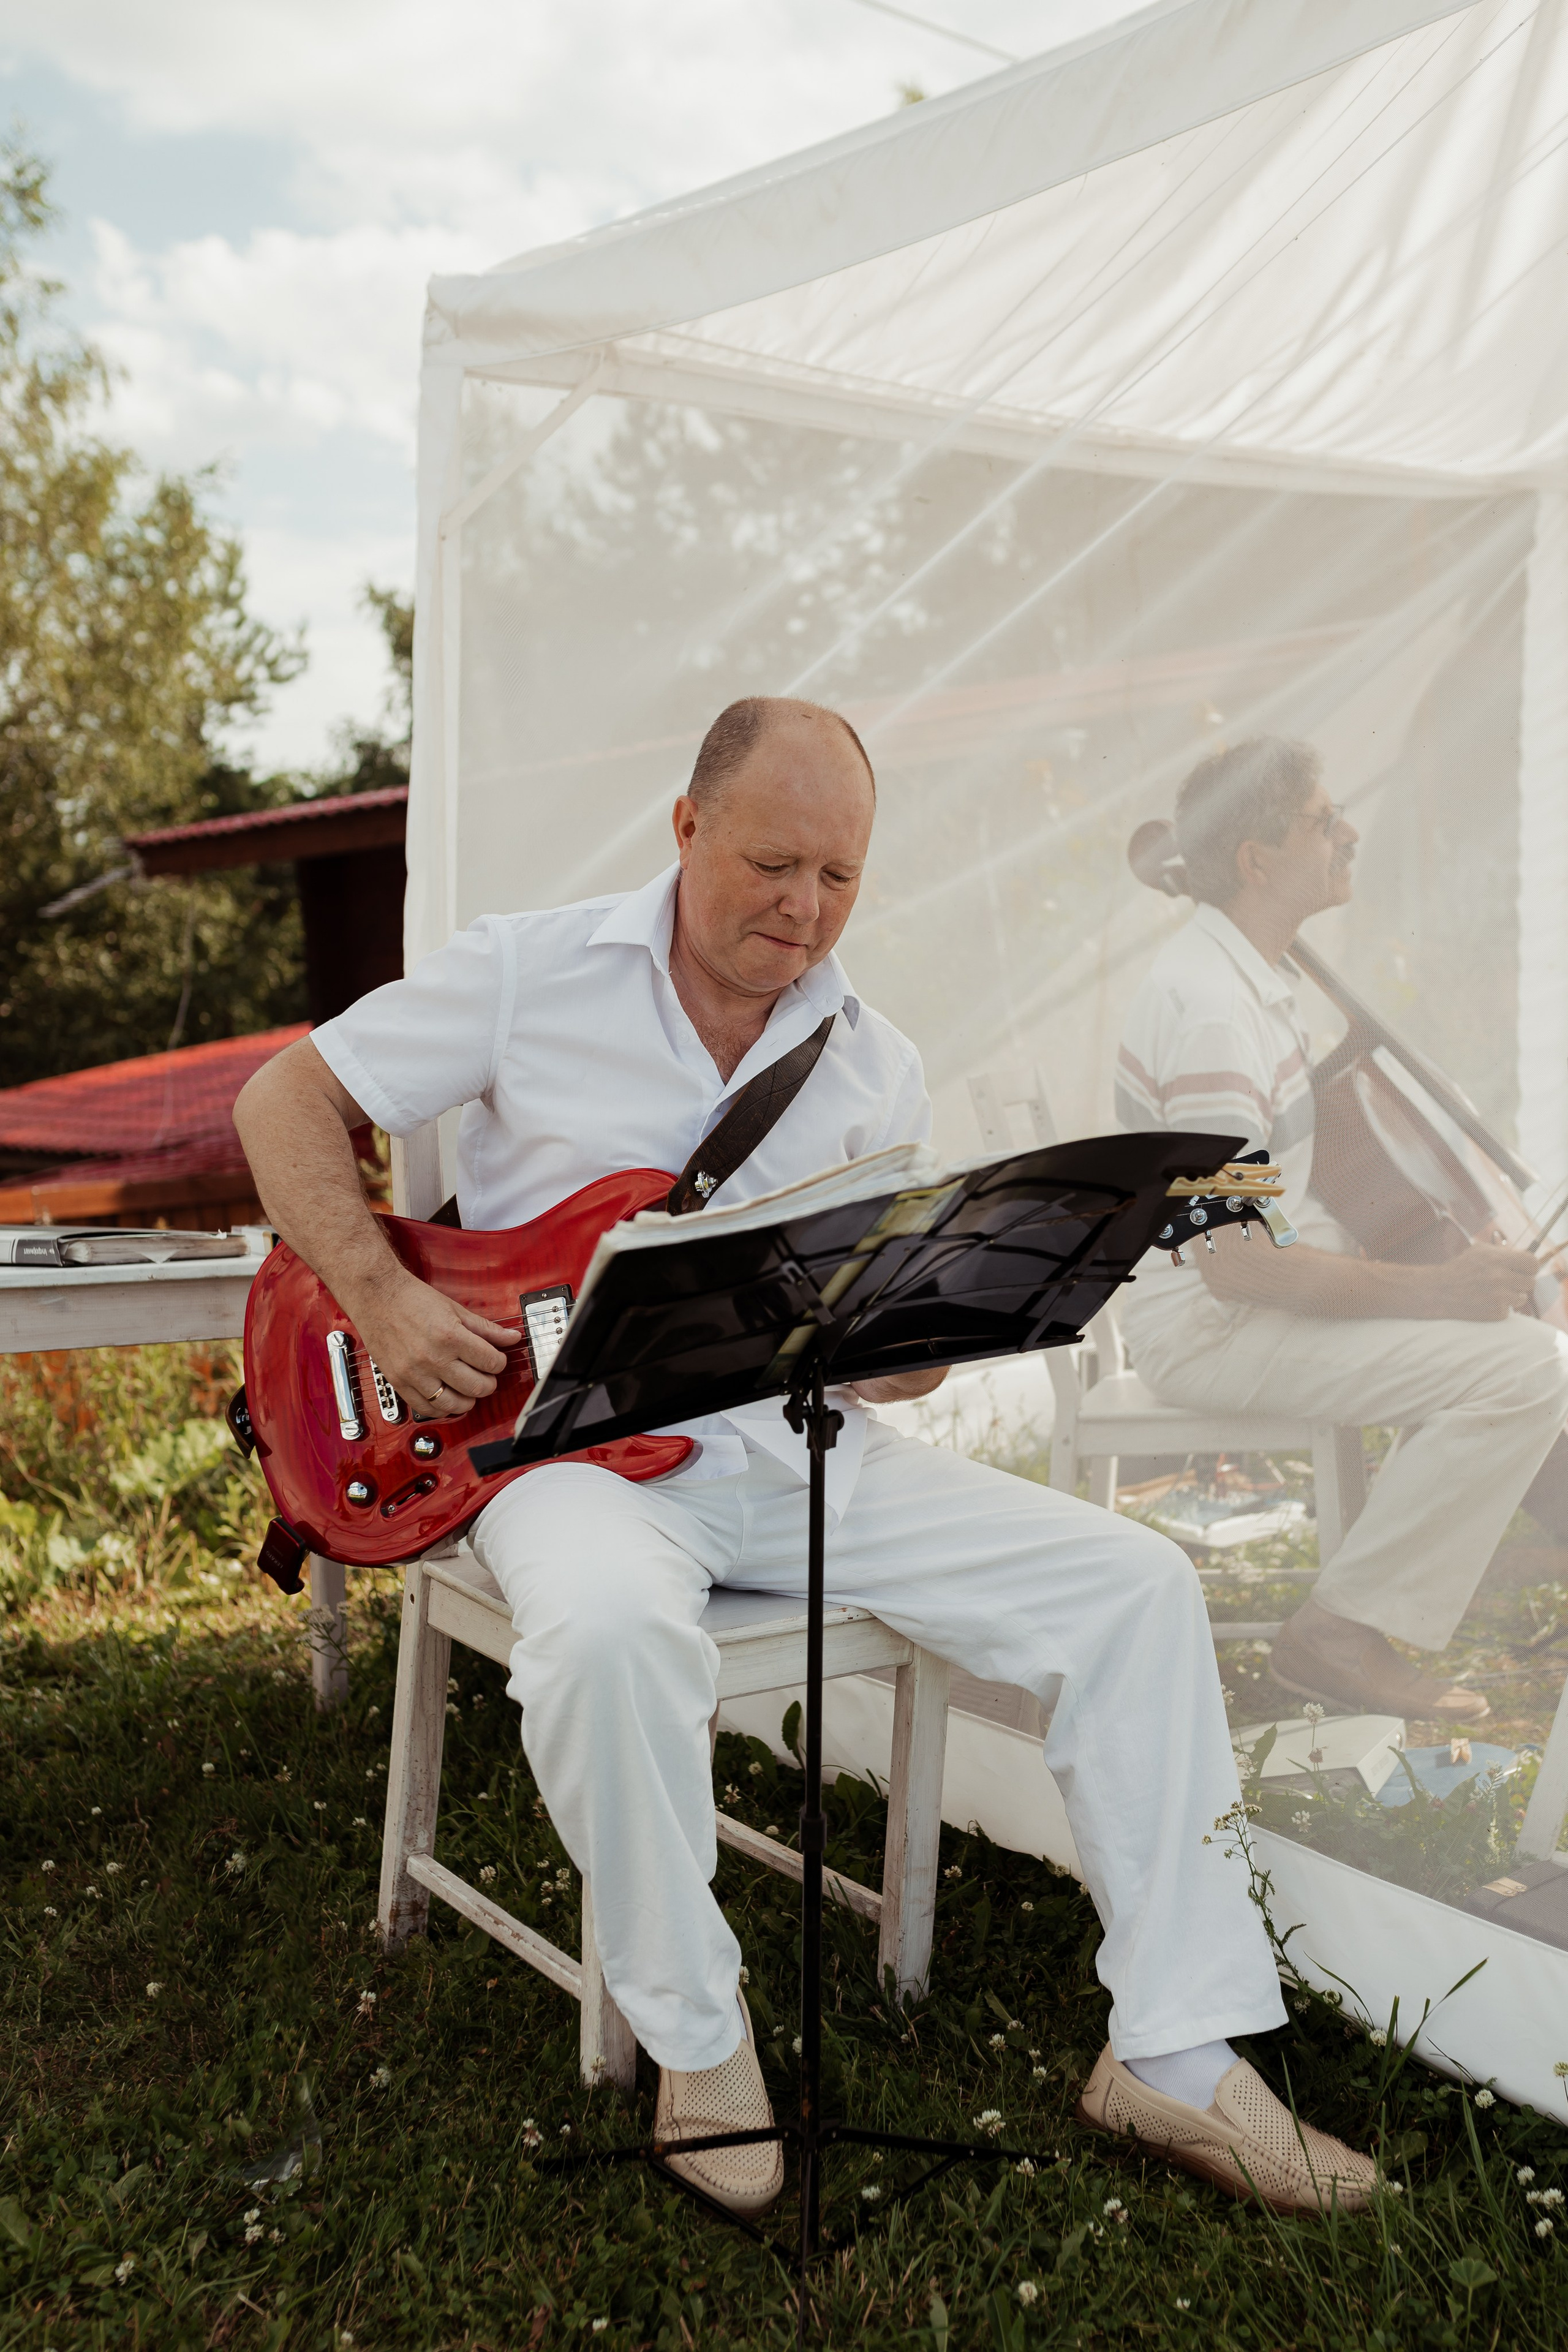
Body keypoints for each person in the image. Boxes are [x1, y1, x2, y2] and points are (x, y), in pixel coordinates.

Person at [235, 696, 1374, 2218]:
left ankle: (1174, 2055)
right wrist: (381, 1295)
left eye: (838, 877)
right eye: (772, 864)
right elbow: (285, 1097)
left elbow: (881, 1361)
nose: (804, 907)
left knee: (1135, 1583)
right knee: (606, 1637)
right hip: (564, 1458)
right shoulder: (527, 969)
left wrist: (934, 1322)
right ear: (686, 826)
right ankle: (697, 2040)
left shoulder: (869, 1061)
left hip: (796, 1454)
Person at [1116, 735, 1568, 1722]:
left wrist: (1456, 1273)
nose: (1348, 834)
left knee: (1524, 1347)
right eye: (1324, 821)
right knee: (1526, 1369)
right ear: (1257, 861)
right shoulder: (1213, 1016)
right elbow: (1236, 1263)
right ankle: (1337, 1637)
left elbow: (1281, 1203)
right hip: (1212, 1329)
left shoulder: (1248, 981)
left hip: (1247, 1305)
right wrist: (1438, 1291)